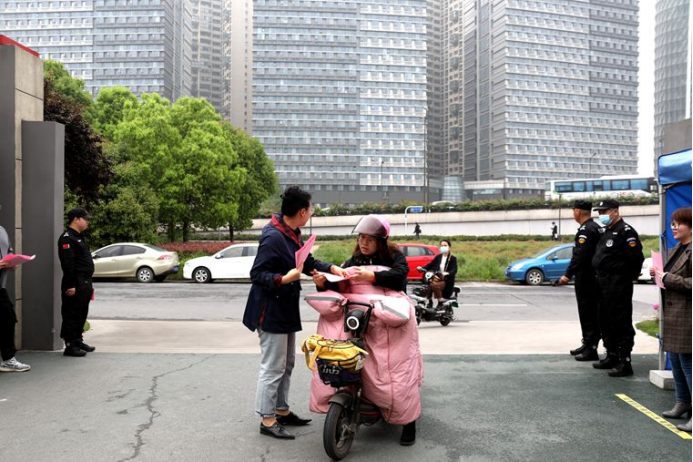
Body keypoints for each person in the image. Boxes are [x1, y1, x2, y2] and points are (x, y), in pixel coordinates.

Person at [243, 186, 349, 440]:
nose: (311, 213)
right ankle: (267, 419)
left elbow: (306, 262)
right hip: (270, 311)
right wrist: (284, 278)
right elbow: (257, 275)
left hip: (285, 309)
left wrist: (331, 267)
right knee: (272, 367)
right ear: (302, 211)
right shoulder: (273, 236)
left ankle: (281, 410)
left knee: (287, 364)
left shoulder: (290, 232)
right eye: (310, 209)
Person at [313, 214, 418, 445]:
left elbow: (401, 278)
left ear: (381, 240)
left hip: (388, 322)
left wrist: (373, 276)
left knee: (396, 371)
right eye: (361, 237)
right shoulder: (353, 260)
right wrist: (322, 283)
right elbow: (340, 282)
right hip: (359, 320)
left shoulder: (394, 256)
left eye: (370, 238)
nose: (364, 242)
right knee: (355, 364)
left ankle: (409, 423)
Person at [591, 199, 644, 377]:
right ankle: (611, 354)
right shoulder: (608, 231)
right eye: (599, 212)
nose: (601, 215)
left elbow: (636, 258)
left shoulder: (625, 231)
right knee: (604, 320)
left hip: (617, 284)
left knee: (620, 322)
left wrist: (624, 278)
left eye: (604, 212)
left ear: (615, 211)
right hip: (603, 282)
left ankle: (625, 360)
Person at [650, 207, 691, 432]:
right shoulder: (678, 248)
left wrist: (668, 277)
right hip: (674, 314)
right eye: (672, 223)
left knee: (688, 363)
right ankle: (682, 402)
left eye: (679, 223)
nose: (674, 227)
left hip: (687, 314)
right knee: (675, 360)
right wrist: (658, 274)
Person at [558, 200, 602, 361]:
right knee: (587, 311)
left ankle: (591, 347)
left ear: (577, 211)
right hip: (590, 277)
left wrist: (567, 275)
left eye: (573, 210)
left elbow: (580, 256)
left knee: (588, 311)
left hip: (587, 278)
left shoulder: (587, 230)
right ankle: (588, 343)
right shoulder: (594, 227)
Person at [57, 208, 96, 357]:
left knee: (81, 312)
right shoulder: (67, 238)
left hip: (84, 281)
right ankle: (70, 345)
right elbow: (68, 264)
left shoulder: (79, 237)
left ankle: (78, 339)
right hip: (75, 282)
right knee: (71, 313)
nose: (87, 222)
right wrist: (70, 285)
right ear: (76, 219)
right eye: (85, 219)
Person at [0, 225, 30, 372]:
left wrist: (12, 263)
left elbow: (8, 252)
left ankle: (7, 360)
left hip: (0, 288)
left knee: (8, 319)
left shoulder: (2, 230)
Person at [417, 239, 458, 309]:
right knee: (428, 285)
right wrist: (421, 268)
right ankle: (430, 302)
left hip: (446, 280)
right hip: (437, 278)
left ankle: (440, 303)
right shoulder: (438, 257)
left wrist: (447, 273)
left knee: (435, 285)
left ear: (449, 247)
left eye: (445, 245)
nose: (443, 247)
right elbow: (430, 265)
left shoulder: (452, 258)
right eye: (442, 246)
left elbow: (454, 270)